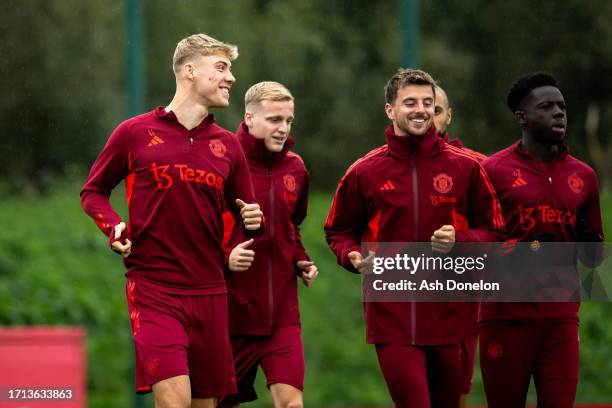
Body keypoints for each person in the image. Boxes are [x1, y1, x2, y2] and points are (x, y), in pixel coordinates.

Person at [80, 33, 264, 408]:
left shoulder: (229, 146)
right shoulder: (134, 133)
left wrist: (253, 220)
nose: (231, 78)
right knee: (173, 401)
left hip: (211, 291)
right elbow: (93, 191)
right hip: (154, 289)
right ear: (190, 71)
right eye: (222, 68)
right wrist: (112, 225)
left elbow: (247, 220)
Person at [324, 68, 505, 408]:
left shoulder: (467, 168)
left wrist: (460, 240)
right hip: (392, 314)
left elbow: (495, 232)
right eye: (410, 103)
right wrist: (351, 256)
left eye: (427, 102)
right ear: (390, 110)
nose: (420, 109)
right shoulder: (363, 171)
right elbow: (338, 230)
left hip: (452, 314)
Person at [479, 72, 604, 407]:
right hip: (505, 318)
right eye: (546, 106)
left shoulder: (584, 176)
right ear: (522, 117)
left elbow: (594, 261)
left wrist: (592, 246)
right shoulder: (492, 171)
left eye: (562, 106)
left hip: (561, 318)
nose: (558, 113)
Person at [218, 81, 318, 408]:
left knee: (292, 403)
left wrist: (301, 259)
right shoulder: (222, 161)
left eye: (288, 121)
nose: (283, 129)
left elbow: (291, 226)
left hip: (282, 317)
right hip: (232, 316)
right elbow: (196, 229)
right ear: (249, 118)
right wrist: (226, 257)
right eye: (275, 120)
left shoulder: (296, 168)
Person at [433, 85, 485, 407]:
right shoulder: (379, 167)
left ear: (449, 115)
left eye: (436, 109)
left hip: (460, 300)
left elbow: (497, 230)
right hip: (407, 299)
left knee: (454, 397)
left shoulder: (477, 166)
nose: (426, 115)